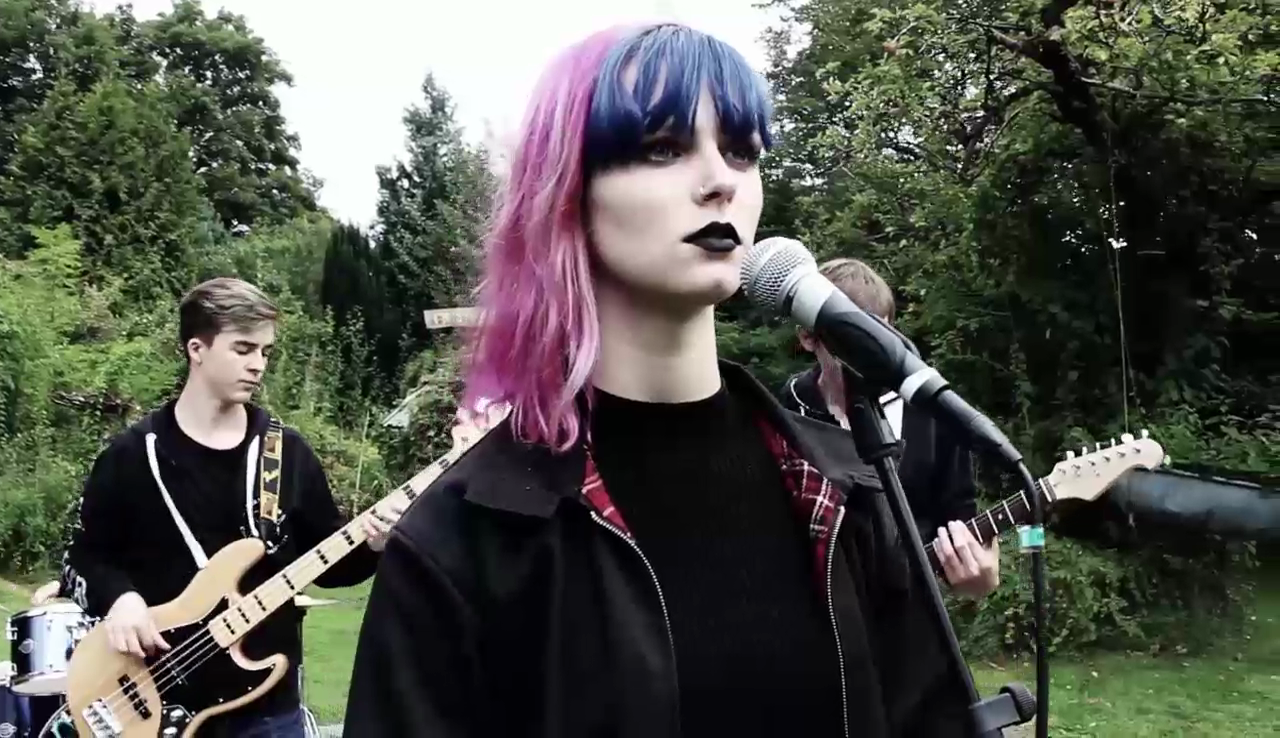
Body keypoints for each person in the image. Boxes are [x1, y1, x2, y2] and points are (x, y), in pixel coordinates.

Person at [344, 23, 973, 738]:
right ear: (567, 192)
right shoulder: (465, 537)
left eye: (741, 151)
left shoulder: (842, 487)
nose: (721, 181)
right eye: (663, 148)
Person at [63, 277, 401, 738]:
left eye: (265, 352)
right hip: (155, 701)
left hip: (266, 709)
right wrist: (120, 601)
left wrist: (374, 543)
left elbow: (329, 564)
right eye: (243, 349)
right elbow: (81, 559)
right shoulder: (132, 455)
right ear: (197, 349)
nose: (258, 364)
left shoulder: (287, 454)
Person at [779, 258, 999, 599]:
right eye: (851, 340)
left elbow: (960, 520)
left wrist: (979, 577)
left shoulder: (931, 411)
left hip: (911, 616)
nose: (868, 354)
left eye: (877, 336)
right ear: (809, 338)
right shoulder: (790, 406)